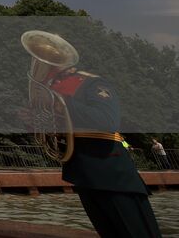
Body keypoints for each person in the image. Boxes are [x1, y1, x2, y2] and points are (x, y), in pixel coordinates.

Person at [29, 33, 162, 238]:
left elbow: (107, 122)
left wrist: (59, 103)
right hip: (83, 171)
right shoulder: (55, 88)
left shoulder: (92, 84)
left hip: (109, 171)